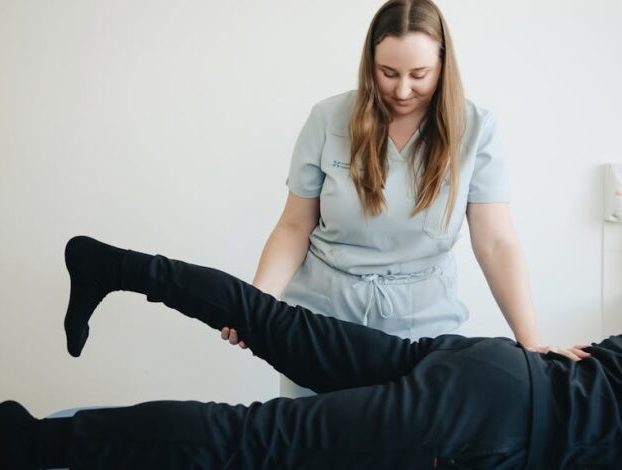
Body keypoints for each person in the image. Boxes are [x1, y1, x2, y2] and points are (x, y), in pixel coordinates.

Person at [0, 236, 622, 469]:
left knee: (273, 324)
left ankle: (115, 267)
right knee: (258, 443)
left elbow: (605, 353)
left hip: (493, 367)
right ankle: (31, 441)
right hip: (493, 420)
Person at [220, 0, 586, 399]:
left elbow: (496, 241)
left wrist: (530, 340)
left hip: (420, 335)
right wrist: (256, 303)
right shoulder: (328, 119)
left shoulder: (476, 128)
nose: (403, 89)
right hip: (321, 325)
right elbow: (293, 226)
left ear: (443, 65)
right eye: (388, 73)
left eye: (419, 74)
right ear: (369, 63)